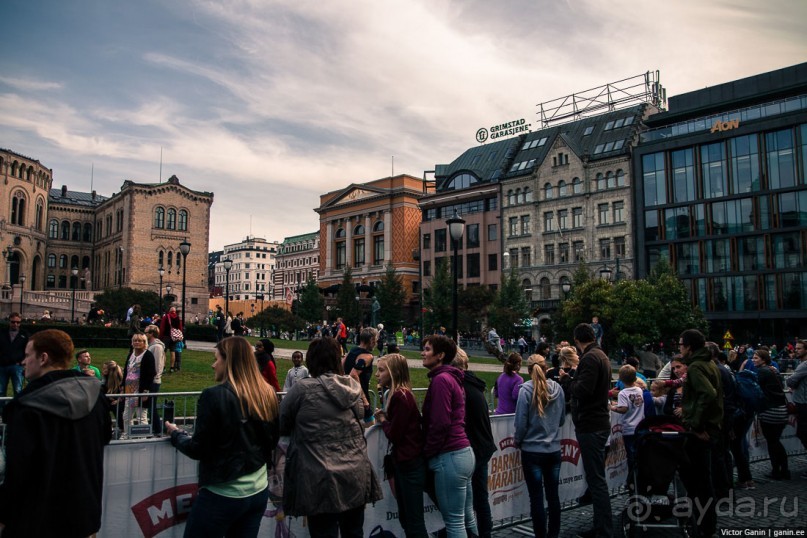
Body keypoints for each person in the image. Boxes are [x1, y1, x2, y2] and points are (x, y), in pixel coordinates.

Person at [0, 329, 111, 537]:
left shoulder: (25, 407)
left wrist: (4, 516)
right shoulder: (96, 395)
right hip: (84, 516)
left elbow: (17, 473)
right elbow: (104, 439)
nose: (23, 362)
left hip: (36, 522)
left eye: (27, 355)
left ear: (43, 358)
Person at [165, 336, 280, 537]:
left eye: (216, 359)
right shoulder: (266, 393)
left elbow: (198, 448)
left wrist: (176, 434)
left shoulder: (214, 395)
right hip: (257, 491)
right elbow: (272, 439)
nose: (213, 365)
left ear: (229, 362)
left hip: (223, 493)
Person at [280, 337, 382, 536]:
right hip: (354, 473)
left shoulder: (302, 389)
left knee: (325, 532)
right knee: (353, 531)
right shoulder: (352, 387)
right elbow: (361, 413)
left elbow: (282, 423)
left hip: (319, 476)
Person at [421, 334, 477, 538]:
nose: (423, 353)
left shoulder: (442, 380)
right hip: (461, 453)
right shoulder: (451, 377)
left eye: (427, 349)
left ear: (440, 355)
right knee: (467, 517)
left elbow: (440, 423)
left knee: (454, 522)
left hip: (450, 455)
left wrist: (428, 451)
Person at [562, 323, 612, 538]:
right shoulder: (600, 355)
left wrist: (567, 381)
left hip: (591, 424)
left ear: (577, 341)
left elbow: (583, 389)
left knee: (596, 481)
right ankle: (601, 526)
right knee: (596, 480)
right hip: (595, 422)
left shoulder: (591, 358)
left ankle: (603, 529)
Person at [374, 353, 428, 537]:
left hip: (409, 463)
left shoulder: (401, 396)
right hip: (406, 462)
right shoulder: (399, 395)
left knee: (413, 520)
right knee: (407, 517)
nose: (377, 375)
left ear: (394, 372)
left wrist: (383, 420)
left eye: (381, 370)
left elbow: (395, 434)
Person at [514, 348, 565, 538]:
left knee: (536, 498)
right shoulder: (558, 389)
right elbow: (560, 420)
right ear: (546, 368)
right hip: (553, 449)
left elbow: (520, 422)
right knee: (553, 496)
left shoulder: (526, 390)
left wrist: (518, 440)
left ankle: (540, 535)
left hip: (532, 450)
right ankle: (553, 533)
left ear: (528, 371)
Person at [678, 329, 723, 538]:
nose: (679, 348)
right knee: (704, 480)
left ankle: (703, 526)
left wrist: (696, 425)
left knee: (698, 481)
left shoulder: (696, 367)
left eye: (681, 344)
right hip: (711, 427)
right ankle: (707, 525)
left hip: (701, 430)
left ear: (688, 346)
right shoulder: (709, 363)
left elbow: (708, 394)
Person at [453, 349, 496, 538]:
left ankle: (476, 532)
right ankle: (485, 531)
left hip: (473, 447)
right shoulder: (474, 384)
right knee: (480, 496)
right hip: (482, 444)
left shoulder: (461, 387)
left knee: (469, 499)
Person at [754, 348, 789, 480]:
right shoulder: (773, 370)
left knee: (772, 442)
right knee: (775, 441)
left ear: (763, 359)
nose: (753, 360)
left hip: (770, 410)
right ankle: (783, 469)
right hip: (781, 409)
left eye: (756, 358)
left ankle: (778, 470)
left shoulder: (762, 372)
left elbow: (756, 388)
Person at [610, 365, 644, 487]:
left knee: (631, 456)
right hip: (640, 425)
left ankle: (632, 480)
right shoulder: (639, 390)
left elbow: (624, 409)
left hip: (629, 428)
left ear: (620, 379)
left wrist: (613, 407)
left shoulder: (623, 393)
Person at [122, 333, 157, 432]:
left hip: (140, 390)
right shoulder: (131, 354)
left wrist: (145, 391)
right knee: (126, 416)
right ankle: (127, 434)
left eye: (139, 341)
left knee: (141, 416)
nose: (137, 342)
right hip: (129, 389)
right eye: (135, 340)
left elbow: (151, 374)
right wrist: (122, 386)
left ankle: (143, 436)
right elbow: (126, 370)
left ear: (144, 342)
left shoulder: (148, 355)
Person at [344, 327, 378, 424]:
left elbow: (341, 367)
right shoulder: (367, 356)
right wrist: (364, 399)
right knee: (370, 428)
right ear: (371, 340)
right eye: (375, 340)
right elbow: (354, 374)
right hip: (359, 399)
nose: (376, 343)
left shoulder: (352, 351)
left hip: (347, 395)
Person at [785, 339, 807, 473]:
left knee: (803, 433)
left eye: (799, 348)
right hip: (803, 402)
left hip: (804, 404)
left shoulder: (804, 365)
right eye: (796, 348)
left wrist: (792, 383)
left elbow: (791, 381)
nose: (796, 350)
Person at [145, 324, 167, 435]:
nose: (145, 334)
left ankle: (157, 429)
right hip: (151, 380)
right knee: (149, 406)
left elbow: (158, 365)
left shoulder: (157, 347)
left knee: (151, 406)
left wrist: (154, 378)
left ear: (151, 334)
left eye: (146, 333)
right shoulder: (151, 345)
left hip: (154, 381)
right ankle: (155, 428)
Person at [0, 312, 27, 397]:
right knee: (1, 391)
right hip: (2, 366)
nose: (15, 324)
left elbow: (28, 350)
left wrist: (22, 362)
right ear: (9, 322)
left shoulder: (25, 335)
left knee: (18, 390)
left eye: (18, 322)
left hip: (17, 366)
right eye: (13, 322)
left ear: (20, 323)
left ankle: (17, 409)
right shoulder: (1, 333)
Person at [160, 306, 184, 373]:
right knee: (172, 351)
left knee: (164, 352)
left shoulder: (166, 317)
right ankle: (172, 367)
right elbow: (180, 328)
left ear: (169, 311)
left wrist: (160, 337)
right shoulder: (177, 318)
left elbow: (162, 327)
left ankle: (163, 367)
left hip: (166, 336)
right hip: (174, 337)